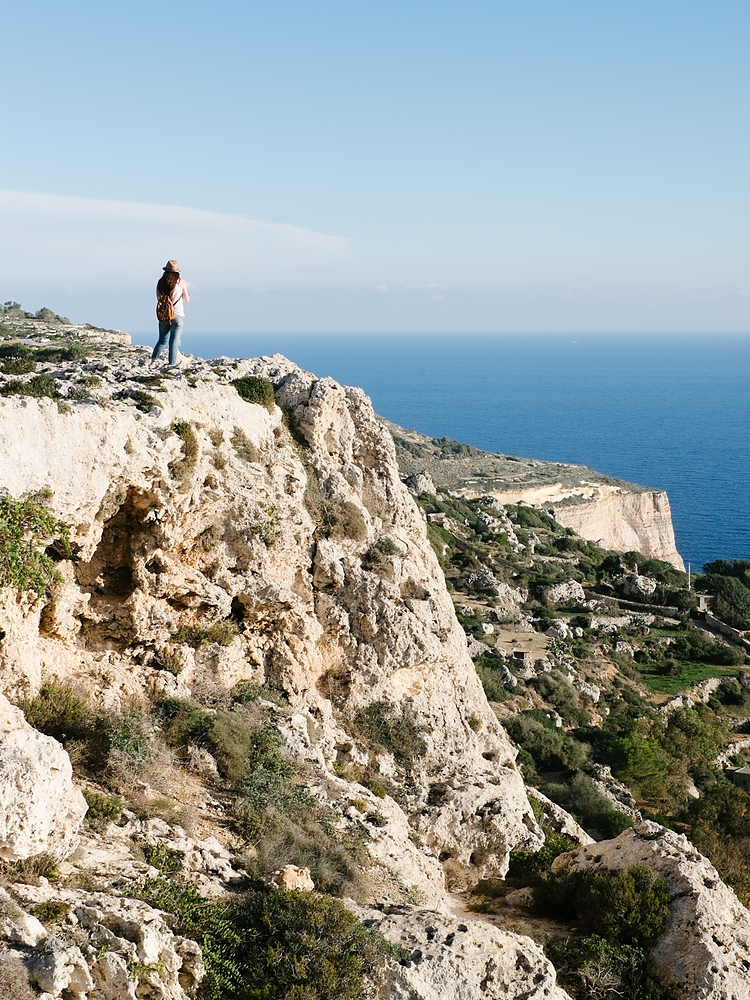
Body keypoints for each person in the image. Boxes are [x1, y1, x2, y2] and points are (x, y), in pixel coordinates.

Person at [151, 260, 190, 367]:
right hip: (178, 315)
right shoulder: (181, 282)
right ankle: (172, 364)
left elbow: (159, 299)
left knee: (162, 339)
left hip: (164, 315)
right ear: (177, 272)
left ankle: (153, 362)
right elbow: (187, 299)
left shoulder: (160, 282)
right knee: (174, 341)